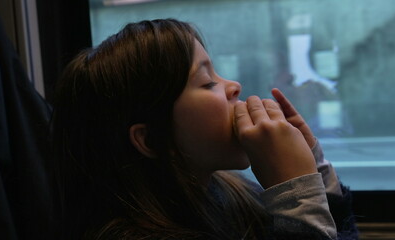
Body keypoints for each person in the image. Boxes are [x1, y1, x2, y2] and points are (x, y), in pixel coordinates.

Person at [52, 19, 358, 239]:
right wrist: (296, 194)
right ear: (150, 140)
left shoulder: (231, 194)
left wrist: (315, 171)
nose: (234, 86)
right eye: (207, 82)